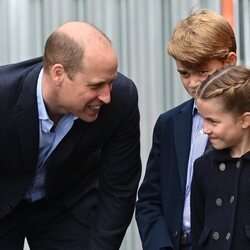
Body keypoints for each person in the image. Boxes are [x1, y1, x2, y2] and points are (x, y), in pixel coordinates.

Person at [0, 21, 141, 250]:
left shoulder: (121, 100)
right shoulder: (3, 95)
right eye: (96, 86)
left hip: (66, 207)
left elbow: (119, 188)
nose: (106, 96)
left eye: (110, 82)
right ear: (59, 74)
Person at [136, 9, 237, 250]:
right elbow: (149, 199)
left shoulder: (245, 121)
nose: (192, 83)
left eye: (203, 72)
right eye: (184, 73)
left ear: (230, 62)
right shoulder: (169, 124)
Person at [191, 65, 250, 250]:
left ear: (245, 120)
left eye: (213, 121)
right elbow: (198, 229)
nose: (205, 129)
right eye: (203, 119)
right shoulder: (203, 167)